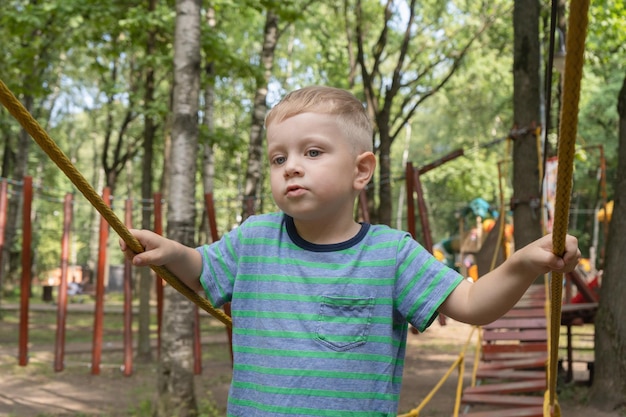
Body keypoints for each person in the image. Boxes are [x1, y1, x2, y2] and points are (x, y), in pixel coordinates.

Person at [120, 86, 580, 416]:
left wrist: (521, 264)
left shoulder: (390, 253)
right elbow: (202, 272)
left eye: (313, 152)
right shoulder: (254, 239)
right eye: (279, 158)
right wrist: (174, 252)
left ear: (361, 171)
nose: (291, 167)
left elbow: (473, 305)